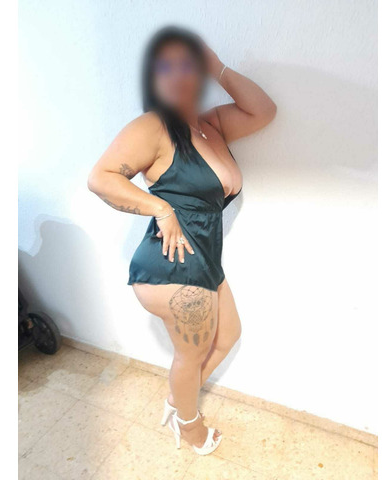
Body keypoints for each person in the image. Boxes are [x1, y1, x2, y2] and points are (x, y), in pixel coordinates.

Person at [88, 26, 276, 455]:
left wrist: (218, 66)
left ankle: (179, 399)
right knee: (190, 357)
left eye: (187, 65)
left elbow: (264, 110)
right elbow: (101, 178)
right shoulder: (154, 126)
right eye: (165, 66)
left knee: (228, 335)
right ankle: (189, 426)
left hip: (204, 259)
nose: (178, 74)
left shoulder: (211, 126)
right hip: (170, 263)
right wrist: (161, 208)